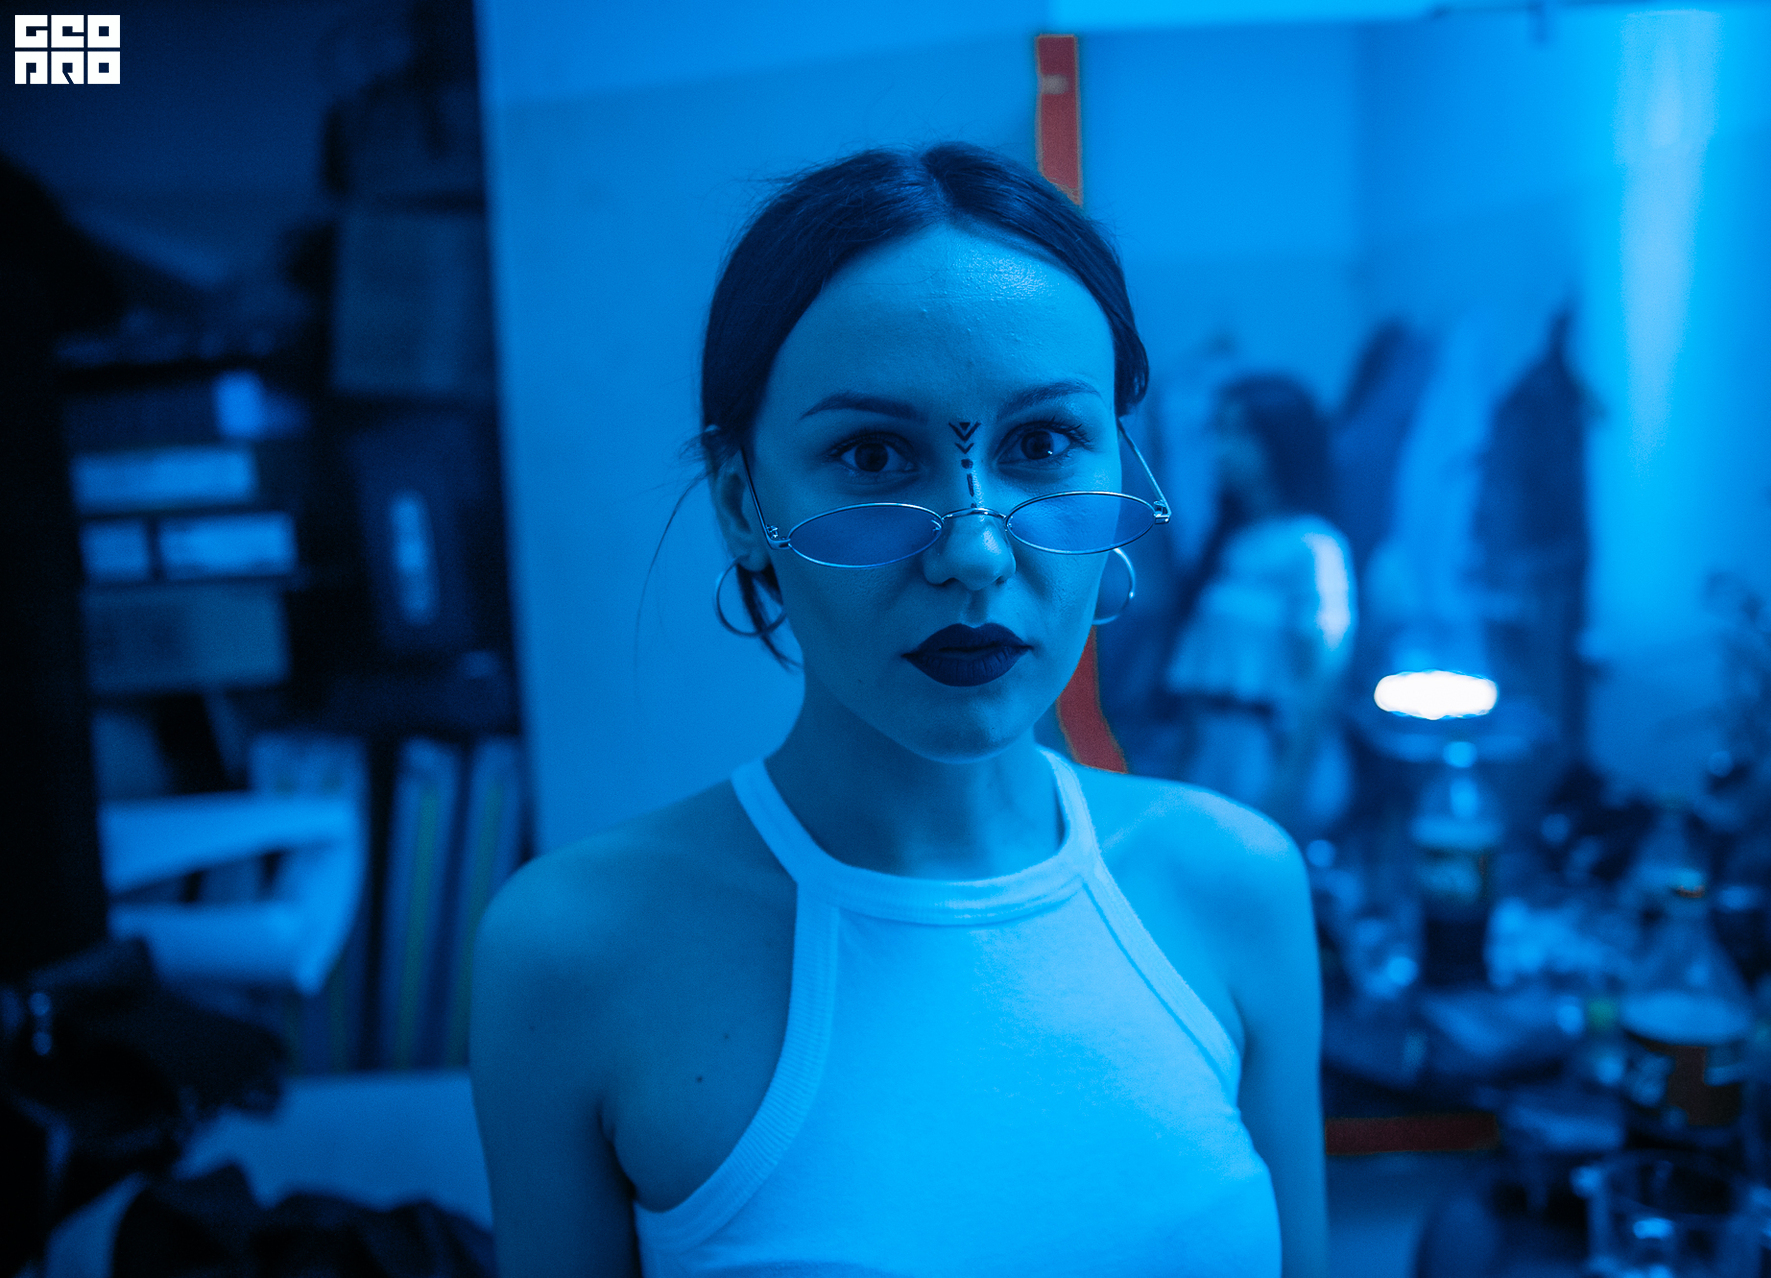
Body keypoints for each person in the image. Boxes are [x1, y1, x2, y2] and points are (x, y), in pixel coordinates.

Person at [470, 143, 1327, 1278]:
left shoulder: (1235, 883)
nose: (975, 553)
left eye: (1042, 443)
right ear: (742, 505)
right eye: (873, 454)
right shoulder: (573, 952)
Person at [1162, 374, 1355, 842]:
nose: (1223, 450)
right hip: (1214, 754)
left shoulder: (1313, 547)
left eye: (1241, 432)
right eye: (1220, 431)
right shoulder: (1228, 541)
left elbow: (1321, 681)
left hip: (1271, 754)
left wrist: (1286, 786)